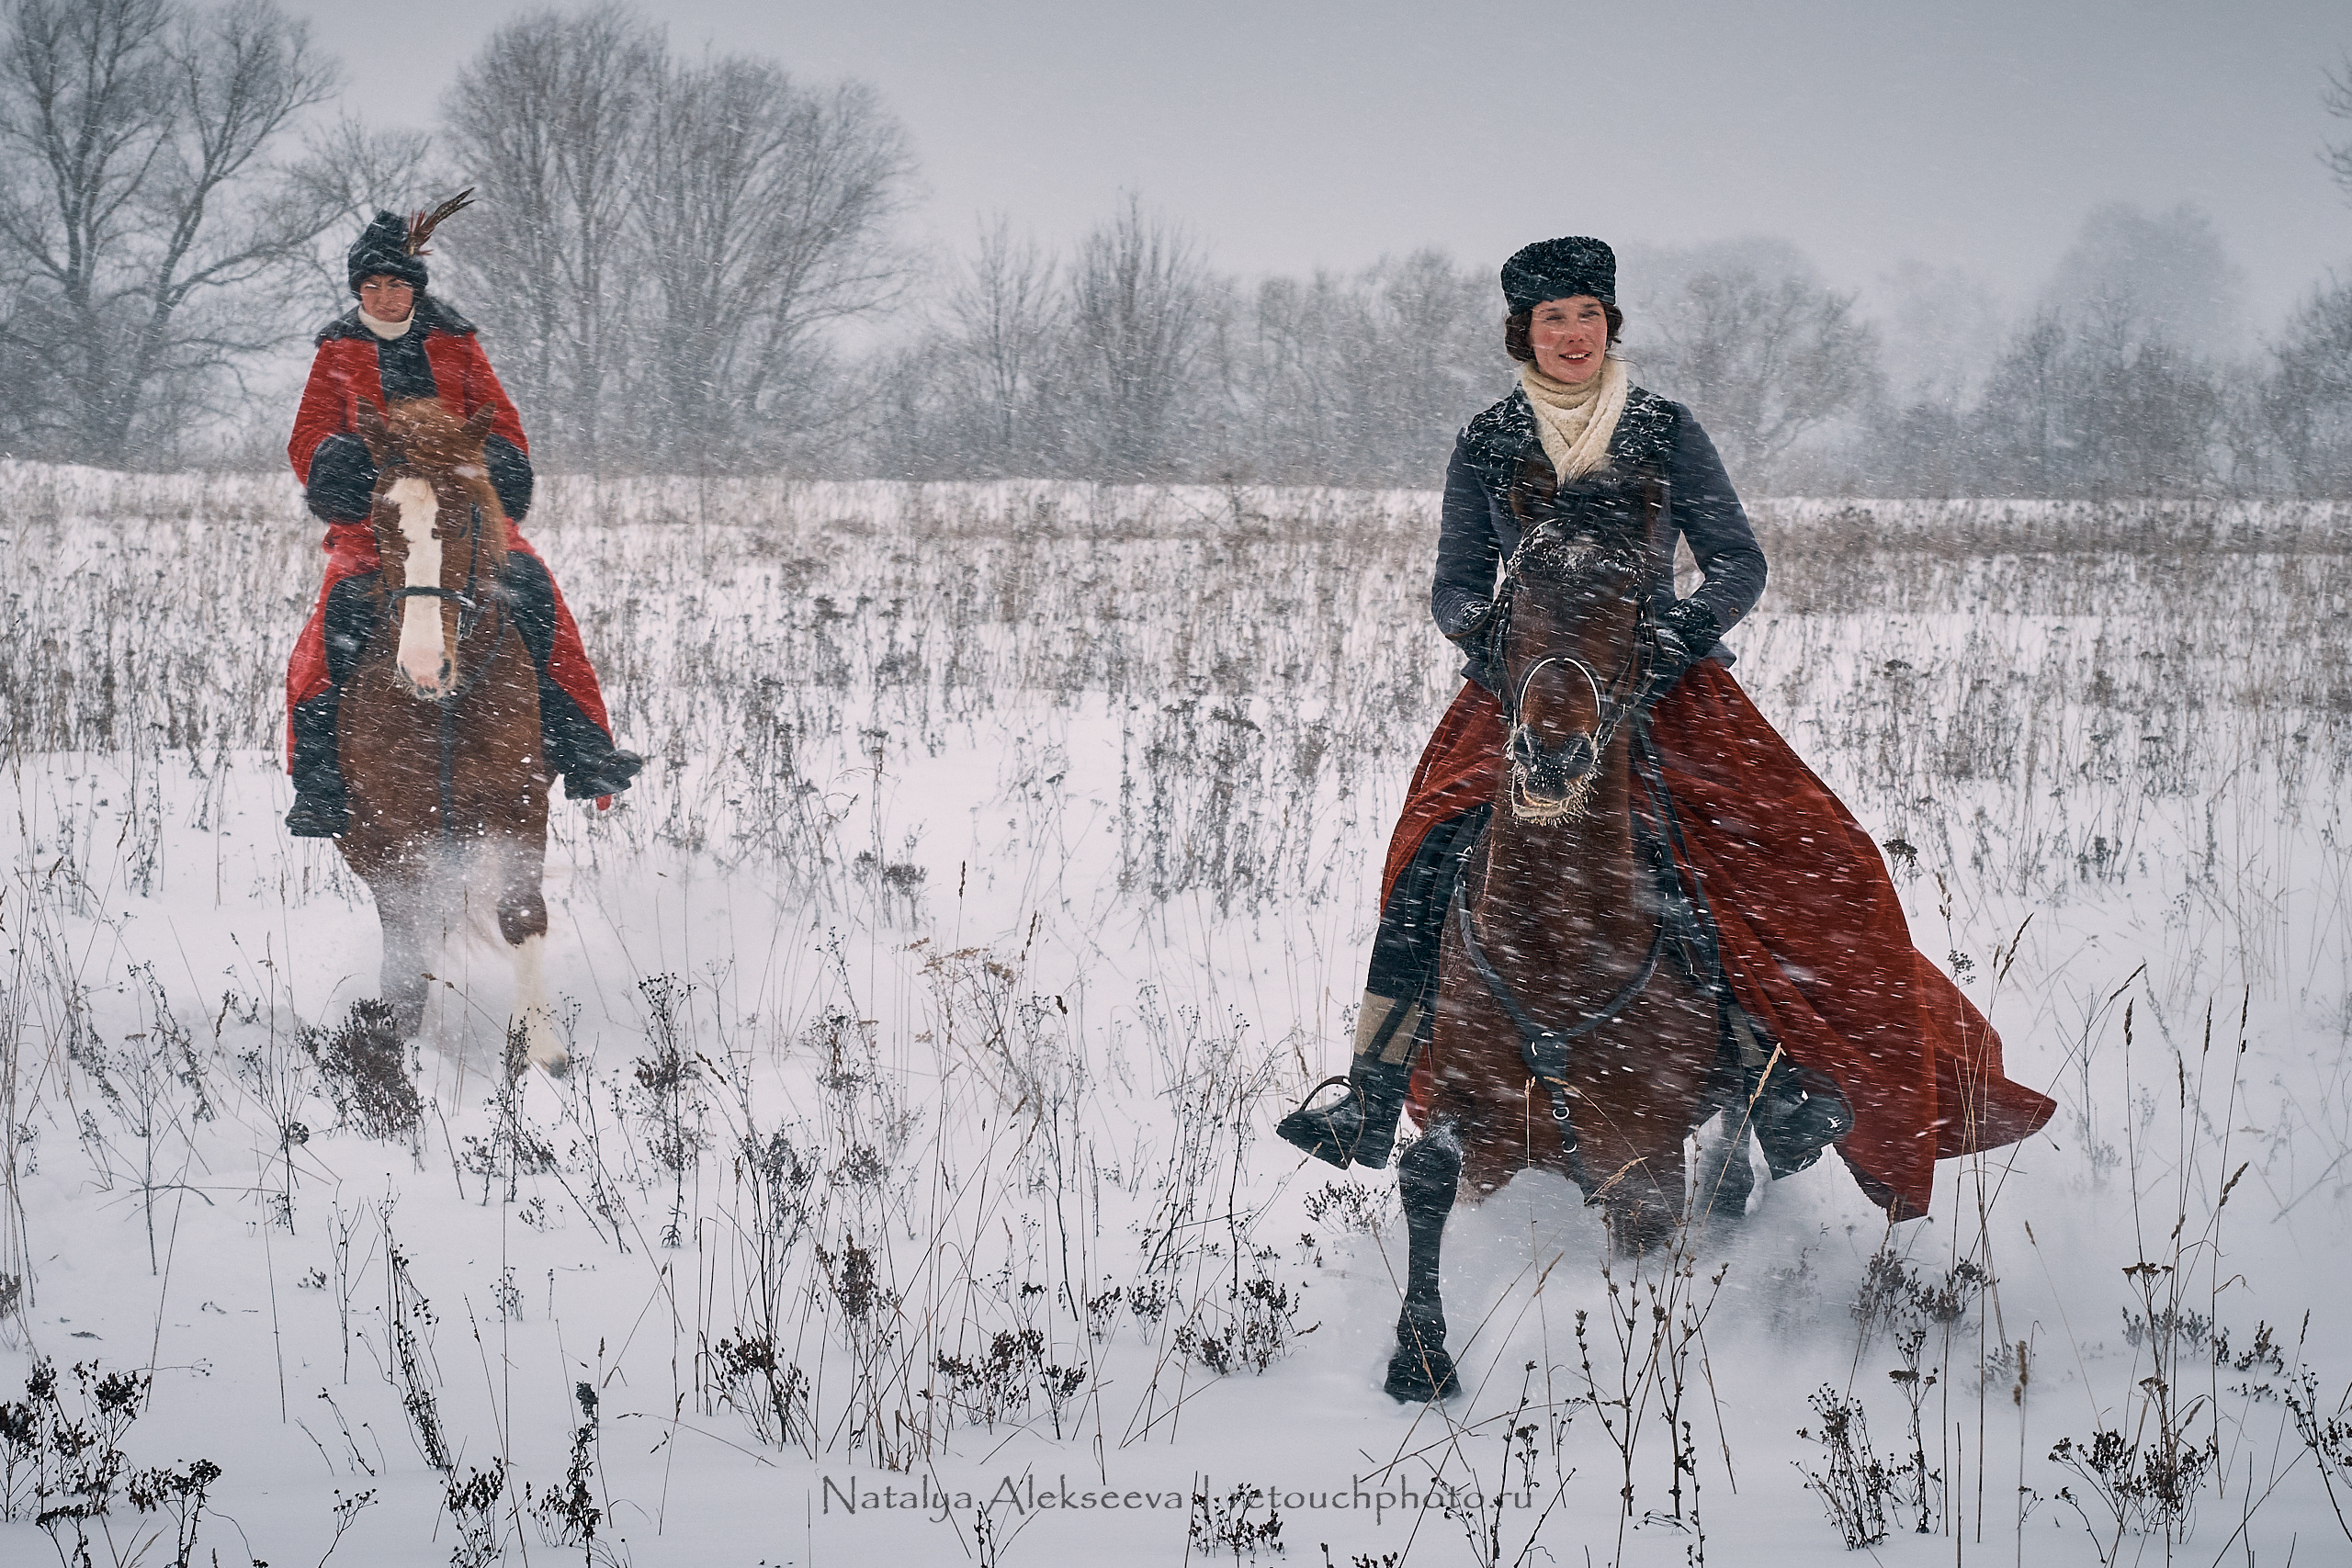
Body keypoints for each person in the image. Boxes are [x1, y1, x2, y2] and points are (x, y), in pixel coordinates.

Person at [1280, 236, 2052, 1221]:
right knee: (1427, 858)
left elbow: (1738, 564)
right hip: (1527, 692)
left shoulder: (1661, 428)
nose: (1571, 335)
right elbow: (1457, 587)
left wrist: (1668, 638)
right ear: (1523, 332)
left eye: (1588, 317)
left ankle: (1775, 1080)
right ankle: (1375, 1086)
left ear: (1610, 325)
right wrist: (1502, 660)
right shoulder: (1484, 440)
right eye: (1552, 319)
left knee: (1792, 860)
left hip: (1664, 691)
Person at [283, 202, 642, 837]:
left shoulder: (458, 343)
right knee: (328, 636)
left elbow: (501, 420)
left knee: (536, 598)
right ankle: (320, 781)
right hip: (378, 526)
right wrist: (345, 468)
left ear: (415, 289)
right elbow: (308, 434)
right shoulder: (336, 351)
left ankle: (580, 746)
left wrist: (492, 469)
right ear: (358, 291)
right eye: (372, 286)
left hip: (464, 519)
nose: (385, 296)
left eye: (396, 284)